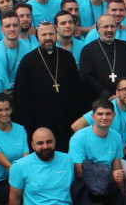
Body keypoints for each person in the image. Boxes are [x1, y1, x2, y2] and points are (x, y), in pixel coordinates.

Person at [8, 127, 105, 205]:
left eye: (49, 142)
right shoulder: (19, 166)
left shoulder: (67, 160)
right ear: (32, 145)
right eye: (40, 143)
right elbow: (14, 198)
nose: (45, 146)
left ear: (55, 141)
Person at [12, 22, 84, 153]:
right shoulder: (28, 61)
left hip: (66, 118)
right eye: (44, 34)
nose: (48, 37)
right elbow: (22, 98)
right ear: (37, 37)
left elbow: (77, 92)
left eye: (51, 34)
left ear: (56, 34)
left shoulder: (67, 58)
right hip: (39, 119)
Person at [68, 100, 126, 205]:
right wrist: (109, 175)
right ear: (93, 116)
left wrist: (122, 195)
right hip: (86, 186)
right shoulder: (79, 138)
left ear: (114, 115)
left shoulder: (116, 137)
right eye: (100, 114)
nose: (104, 117)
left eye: (108, 114)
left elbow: (117, 168)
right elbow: (79, 172)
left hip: (107, 183)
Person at [80, 14, 126, 103]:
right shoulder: (88, 50)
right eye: (105, 26)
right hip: (100, 102)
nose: (109, 30)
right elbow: (88, 77)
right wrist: (108, 96)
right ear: (98, 29)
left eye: (112, 26)